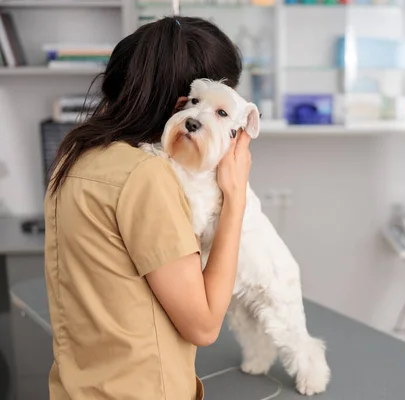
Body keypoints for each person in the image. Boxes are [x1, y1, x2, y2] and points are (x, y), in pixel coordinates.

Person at [44, 16, 250, 400]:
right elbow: (204, 326)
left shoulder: (75, 155)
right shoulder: (144, 177)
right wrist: (235, 197)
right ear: (184, 103)